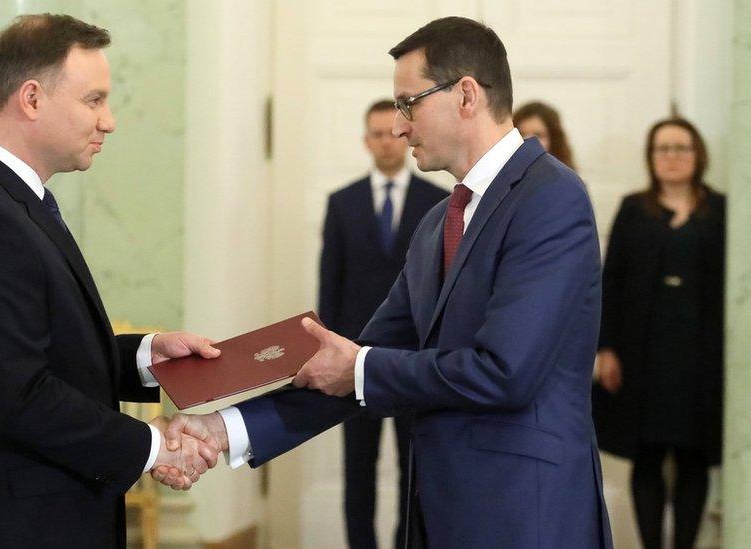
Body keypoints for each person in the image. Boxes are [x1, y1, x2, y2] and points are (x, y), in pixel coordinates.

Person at [159, 16, 613, 548]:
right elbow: (357, 365)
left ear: (466, 94)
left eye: (408, 103)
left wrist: (360, 365)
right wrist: (223, 430)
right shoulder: (435, 224)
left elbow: (504, 372)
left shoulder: (550, 198)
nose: (399, 126)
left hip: (524, 514)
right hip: (439, 515)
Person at [0, 14, 220, 548]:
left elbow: (39, 353)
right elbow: (20, 396)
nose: (109, 121)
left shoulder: (4, 196)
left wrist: (147, 356)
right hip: (7, 526)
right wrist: (154, 446)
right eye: (93, 100)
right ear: (31, 99)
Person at [321, 99, 447, 549]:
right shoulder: (343, 203)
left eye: (392, 132)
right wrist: (331, 354)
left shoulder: (438, 202)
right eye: (375, 134)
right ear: (365, 141)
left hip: (413, 359)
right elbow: (329, 284)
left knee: (414, 468)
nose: (386, 142)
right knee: (359, 468)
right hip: (353, 360)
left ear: (405, 135)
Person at [593, 117, 725, 549]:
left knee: (694, 456)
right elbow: (609, 282)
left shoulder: (722, 210)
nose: (671, 157)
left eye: (680, 148)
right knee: (646, 454)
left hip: (702, 355)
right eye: (662, 149)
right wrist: (606, 348)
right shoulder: (634, 209)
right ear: (651, 159)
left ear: (698, 155)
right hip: (643, 353)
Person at [513, 100, 576, 171]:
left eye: (538, 135)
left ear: (554, 140)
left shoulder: (567, 179)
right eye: (521, 133)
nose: (528, 140)